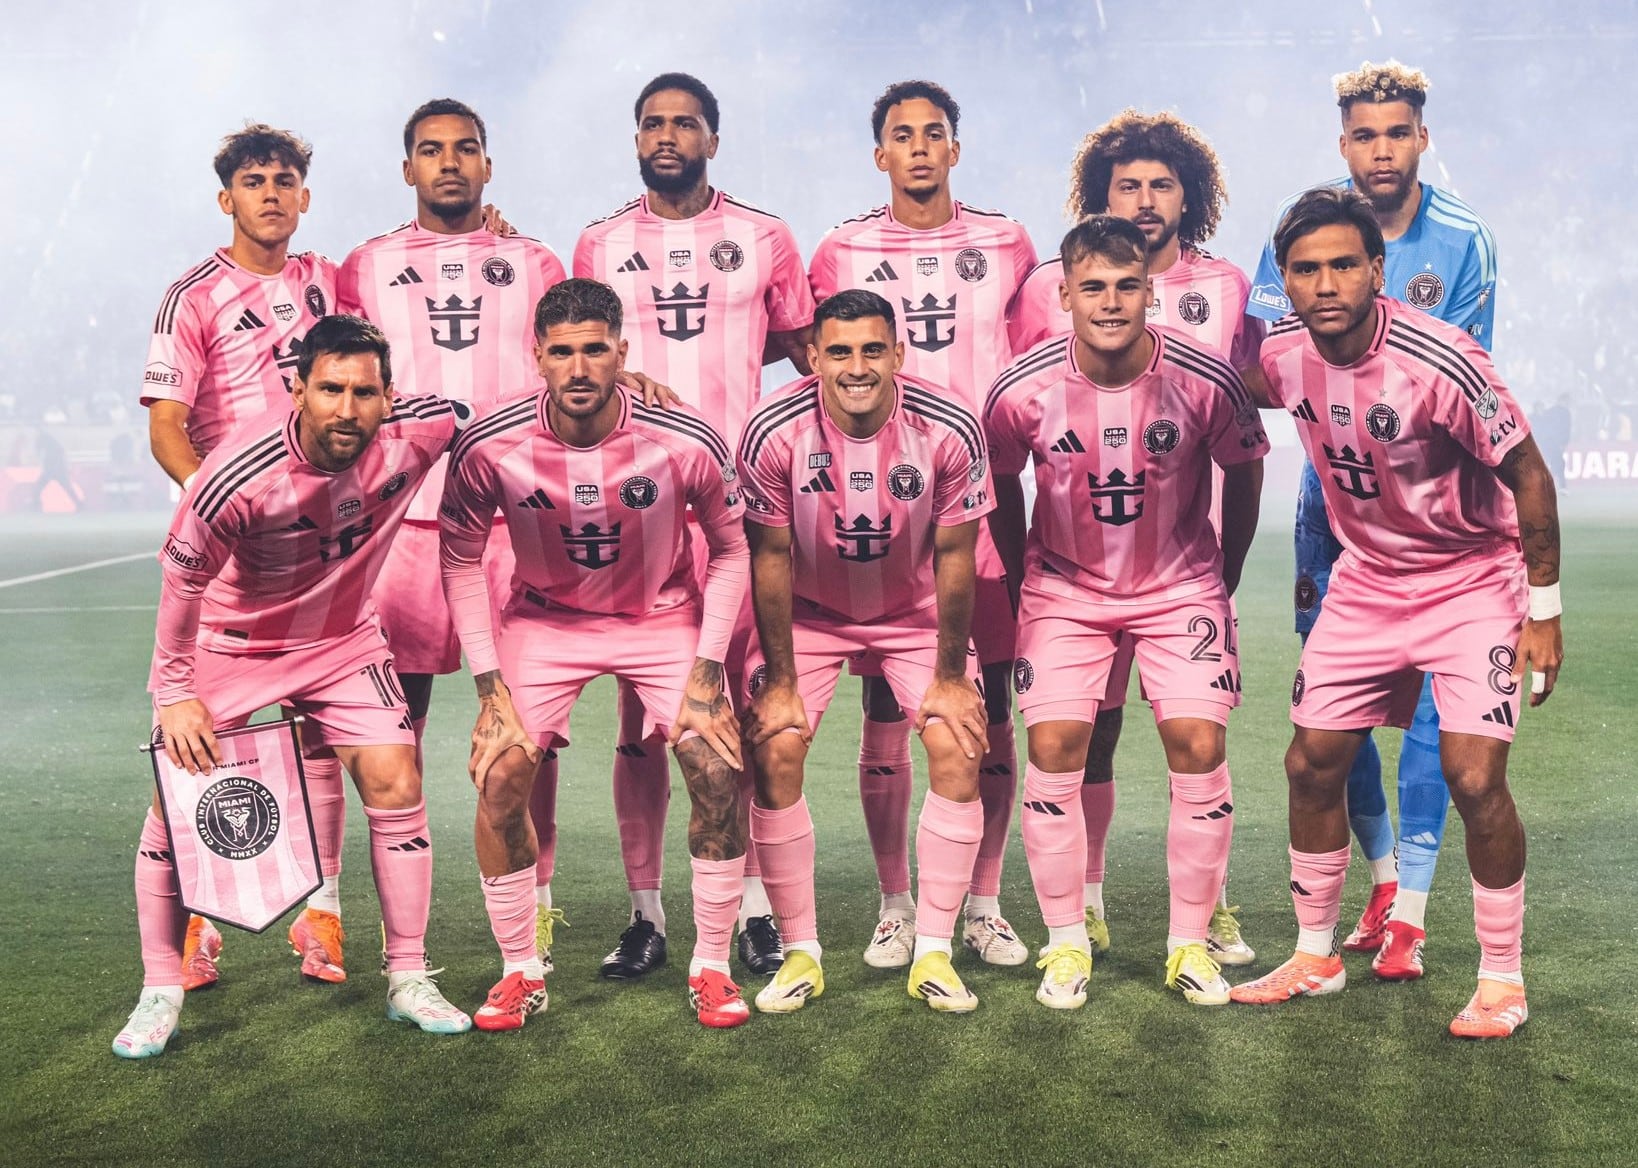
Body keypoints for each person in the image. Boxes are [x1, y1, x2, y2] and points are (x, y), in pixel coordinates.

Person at [1229, 187, 1559, 1040]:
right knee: (1312, 764)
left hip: (1471, 579)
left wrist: (1544, 610)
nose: (1326, 283)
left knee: (1474, 777)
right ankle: (1315, 956)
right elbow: (1233, 384)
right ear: (1285, 281)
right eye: (1306, 270)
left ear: (1378, 270)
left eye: (1344, 264)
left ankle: (1501, 980)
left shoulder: (1441, 360)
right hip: (1369, 579)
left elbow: (1528, 472)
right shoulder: (1284, 355)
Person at [113, 315, 475, 1059]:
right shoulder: (237, 475)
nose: (348, 409)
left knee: (396, 777)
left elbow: (504, 417)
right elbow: (181, 582)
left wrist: (620, 391)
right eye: (331, 390)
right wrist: (174, 693)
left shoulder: (423, 428)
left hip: (342, 641)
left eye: (365, 393)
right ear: (298, 390)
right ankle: (159, 990)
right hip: (233, 645)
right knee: (174, 801)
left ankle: (408, 978)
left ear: (389, 396)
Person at [439, 278, 754, 1029]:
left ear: (622, 352)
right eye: (561, 353)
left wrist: (707, 670)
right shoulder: (491, 444)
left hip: (660, 615)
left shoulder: (684, 438)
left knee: (715, 763)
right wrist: (489, 689)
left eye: (594, 350)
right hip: (546, 621)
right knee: (500, 774)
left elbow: (733, 550)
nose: (578, 369)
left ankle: (712, 966)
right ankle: (522, 970)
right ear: (536, 357)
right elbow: (459, 560)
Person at [1246, 62, 1500, 977]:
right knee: (1329, 711)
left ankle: (1414, 910)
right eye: (1364, 134)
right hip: (1333, 512)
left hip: (1436, 521)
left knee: (1438, 710)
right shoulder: (1306, 229)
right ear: (1343, 142)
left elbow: (1461, 380)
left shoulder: (1465, 240)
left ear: (1422, 136)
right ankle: (1383, 876)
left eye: (1397, 132)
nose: (1381, 150)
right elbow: (1269, 361)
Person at [984, 216, 1266, 1009]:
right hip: (1065, 590)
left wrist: (1224, 571)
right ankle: (1066, 942)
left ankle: (1189, 945)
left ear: (1151, 292)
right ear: (1065, 295)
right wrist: (1023, 577)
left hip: (1180, 586)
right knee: (1055, 746)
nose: (1110, 302)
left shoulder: (1206, 379)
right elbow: (999, 483)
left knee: (1199, 742)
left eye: (1126, 286)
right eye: (1093, 287)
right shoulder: (1020, 387)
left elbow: (1245, 468)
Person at [571, 72, 816, 978]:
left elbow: (802, 347)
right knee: (640, 725)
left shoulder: (765, 237)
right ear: (636, 139)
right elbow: (573, 355)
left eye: (685, 123)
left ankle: (750, 906)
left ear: (714, 137)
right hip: (635, 510)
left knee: (735, 711)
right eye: (652, 124)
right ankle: (646, 915)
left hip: (736, 506)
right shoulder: (599, 242)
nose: (667, 136)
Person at [808, 81, 1037, 969]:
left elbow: (1035, 353)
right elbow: (818, 355)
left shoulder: (1007, 243)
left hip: (986, 501)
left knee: (989, 705)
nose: (917, 148)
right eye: (900, 135)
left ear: (954, 150)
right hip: (882, 506)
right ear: (880, 155)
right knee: (885, 702)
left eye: (932, 133)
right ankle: (896, 902)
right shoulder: (843, 249)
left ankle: (982, 902)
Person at [738, 290, 993, 1013]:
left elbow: (955, 555)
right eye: (840, 352)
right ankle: (801, 953)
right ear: (813, 358)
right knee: (775, 747)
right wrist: (780, 681)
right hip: (811, 615)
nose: (857, 367)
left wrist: (951, 676)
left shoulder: (948, 426)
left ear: (898, 354)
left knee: (957, 743)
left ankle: (934, 951)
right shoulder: (771, 430)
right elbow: (770, 557)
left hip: (913, 613)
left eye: (873, 350)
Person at [139, 124, 351, 992]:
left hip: (319, 549)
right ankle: (198, 924)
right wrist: (216, 503)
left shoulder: (328, 281)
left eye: (285, 179)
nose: (271, 193)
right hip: (231, 554)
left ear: (305, 196)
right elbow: (165, 424)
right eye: (254, 181)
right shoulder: (192, 296)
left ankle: (322, 918)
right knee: (205, 736)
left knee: (321, 735)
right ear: (227, 198)